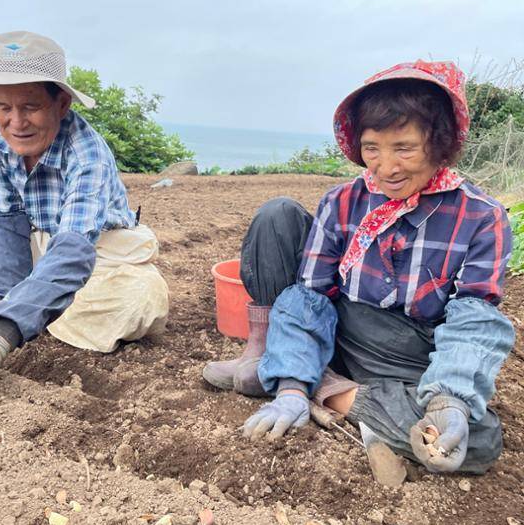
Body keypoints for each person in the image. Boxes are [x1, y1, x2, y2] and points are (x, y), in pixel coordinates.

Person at [203, 60, 515, 475]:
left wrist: (450, 400)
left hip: (411, 353)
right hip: (339, 328)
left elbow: (473, 319)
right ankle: (290, 370)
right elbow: (310, 297)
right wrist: (293, 389)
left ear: (438, 143)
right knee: (279, 222)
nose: (386, 167)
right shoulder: (343, 201)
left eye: (404, 147)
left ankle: (329, 388)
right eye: (372, 148)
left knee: (478, 440)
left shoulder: (481, 217)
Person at [0, 30, 168, 409]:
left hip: (97, 250)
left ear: (62, 103)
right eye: (3, 106)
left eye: (31, 106)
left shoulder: (87, 153)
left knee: (136, 303)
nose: (15, 122)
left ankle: (19, 314)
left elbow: (72, 253)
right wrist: (7, 299)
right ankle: (20, 307)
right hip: (40, 241)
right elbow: (8, 221)